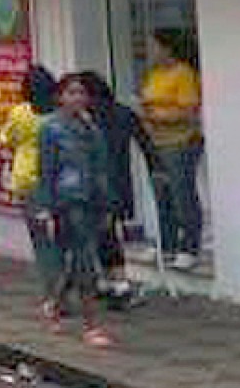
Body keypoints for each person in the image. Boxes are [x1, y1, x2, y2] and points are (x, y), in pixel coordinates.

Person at [34, 74, 115, 347]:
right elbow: (46, 170)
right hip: (67, 200)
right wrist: (45, 207)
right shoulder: (51, 128)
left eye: (81, 93)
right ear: (60, 97)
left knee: (77, 260)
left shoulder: (92, 128)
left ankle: (54, 304)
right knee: (84, 261)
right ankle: (91, 325)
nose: (77, 98)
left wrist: (108, 204)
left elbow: (102, 167)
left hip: (93, 199)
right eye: (71, 93)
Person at [79, 70, 156, 301]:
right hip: (119, 181)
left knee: (103, 234)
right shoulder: (124, 113)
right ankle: (112, 282)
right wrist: (156, 169)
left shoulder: (87, 118)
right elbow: (145, 142)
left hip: (95, 182)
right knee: (107, 232)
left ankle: (116, 283)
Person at [141, 29, 205, 270]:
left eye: (154, 46)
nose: (150, 51)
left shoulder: (184, 74)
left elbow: (188, 112)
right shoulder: (154, 75)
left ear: (167, 49)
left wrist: (158, 117)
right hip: (156, 142)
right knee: (162, 194)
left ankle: (190, 246)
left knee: (182, 193)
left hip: (180, 141)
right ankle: (166, 244)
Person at [2, 64, 59, 300]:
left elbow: (8, 138)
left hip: (28, 180)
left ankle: (51, 293)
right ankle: (70, 285)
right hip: (57, 178)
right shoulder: (58, 114)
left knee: (41, 240)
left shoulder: (20, 113)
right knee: (65, 237)